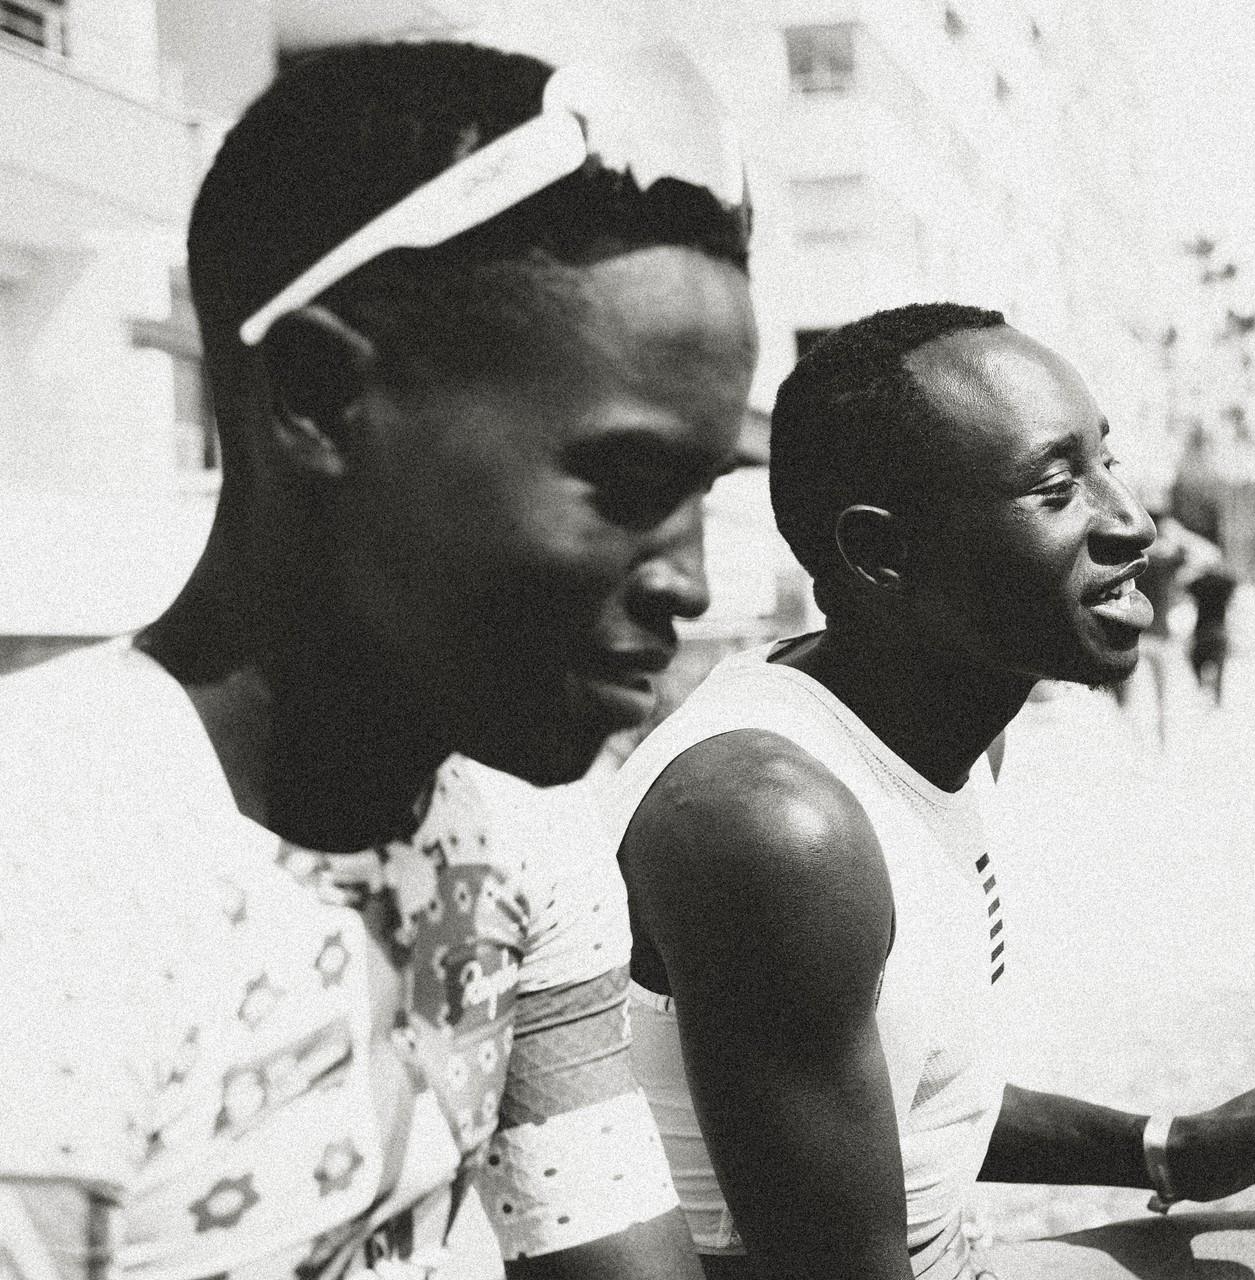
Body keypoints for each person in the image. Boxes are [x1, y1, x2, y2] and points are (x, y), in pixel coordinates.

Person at [606, 303, 1255, 1279]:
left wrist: (1173, 1145)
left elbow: (895, 1103)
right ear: (880, 551)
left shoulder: (931, 732)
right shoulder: (774, 822)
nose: (1133, 522)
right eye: (1057, 486)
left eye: (1106, 462)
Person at [0, 41, 758, 1280]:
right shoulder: (45, 876)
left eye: (702, 496)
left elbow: (614, 1255)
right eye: (627, 483)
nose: (690, 580)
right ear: (318, 397)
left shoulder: (519, 836)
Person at [1112, 511, 1221, 742]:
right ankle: (1162, 742)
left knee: (1133, 696)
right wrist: (1181, 534)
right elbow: (1211, 556)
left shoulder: (1136, 558)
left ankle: (1133, 742)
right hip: (1161, 636)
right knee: (1163, 696)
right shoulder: (1168, 561)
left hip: (1135, 636)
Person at [1184, 566, 1238, 707]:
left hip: (1202, 631)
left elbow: (1187, 586)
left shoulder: (1200, 584)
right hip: (1219, 630)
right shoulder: (1224, 585)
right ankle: (1217, 697)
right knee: (1220, 666)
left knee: (1195, 660)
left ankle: (1201, 685)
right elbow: (1233, 582)